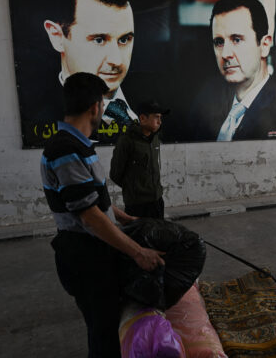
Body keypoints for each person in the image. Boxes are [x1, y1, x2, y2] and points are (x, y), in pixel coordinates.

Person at [40, 72, 165, 358]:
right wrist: (137, 252)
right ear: (95, 107)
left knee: (108, 326)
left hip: (96, 252)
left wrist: (123, 218)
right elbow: (88, 216)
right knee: (104, 335)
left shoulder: (80, 145)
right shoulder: (65, 149)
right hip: (85, 256)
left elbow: (93, 201)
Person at [43, 0, 139, 144]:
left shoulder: (162, 95)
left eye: (124, 40)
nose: (116, 60)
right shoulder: (43, 116)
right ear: (57, 37)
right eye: (99, 40)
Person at [192, 0, 276, 141]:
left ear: (264, 46)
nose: (226, 54)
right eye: (219, 42)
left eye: (236, 39)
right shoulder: (206, 99)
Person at [110, 101, 169, 219]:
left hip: (157, 201)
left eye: (160, 117)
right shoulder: (127, 141)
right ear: (143, 118)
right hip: (137, 205)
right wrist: (135, 188)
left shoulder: (155, 139)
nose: (160, 122)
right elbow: (115, 174)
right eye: (156, 117)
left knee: (158, 236)